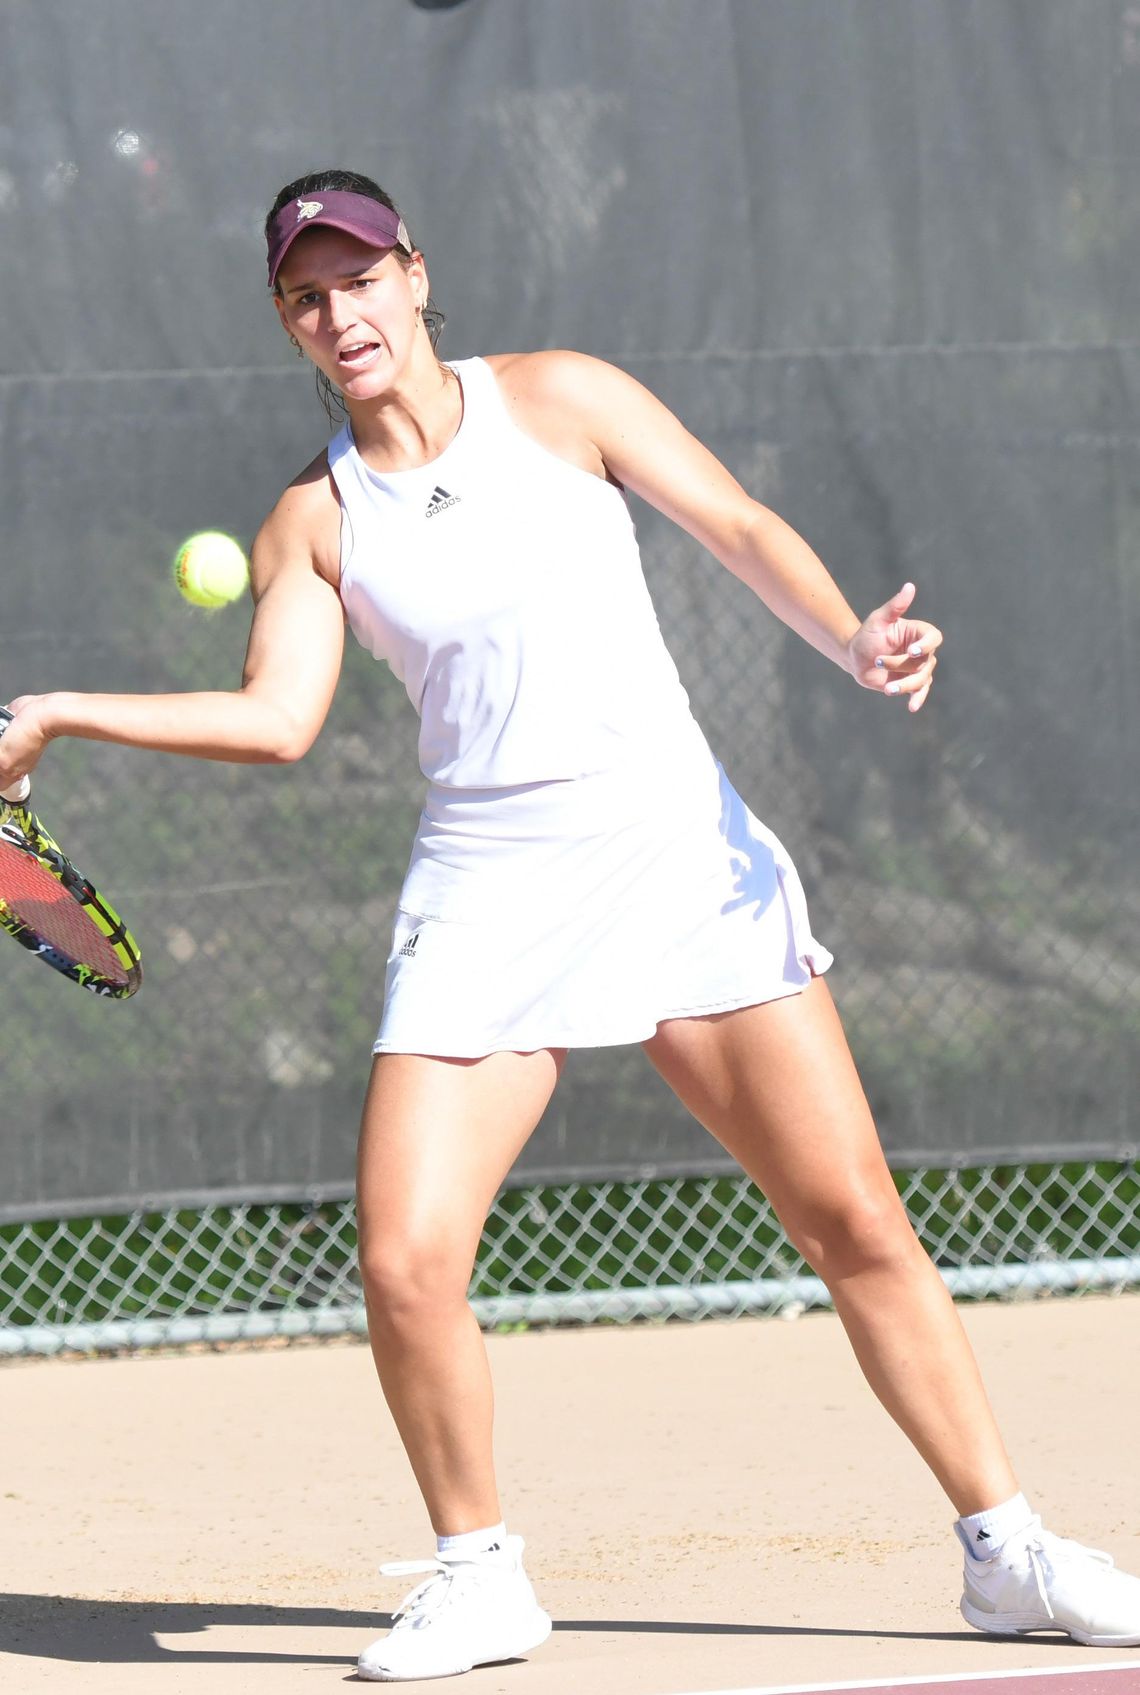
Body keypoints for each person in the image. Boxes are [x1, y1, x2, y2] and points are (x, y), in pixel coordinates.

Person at [3, 169, 1138, 1683]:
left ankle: (1010, 1555)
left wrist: (854, 640)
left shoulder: (563, 397)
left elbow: (732, 520)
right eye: (307, 295)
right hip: (488, 889)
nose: (342, 312)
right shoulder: (313, 521)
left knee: (853, 1221)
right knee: (406, 1258)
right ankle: (479, 1578)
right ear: (288, 321)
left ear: (417, 275)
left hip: (676, 854)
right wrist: (67, 711)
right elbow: (279, 720)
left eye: (361, 277)